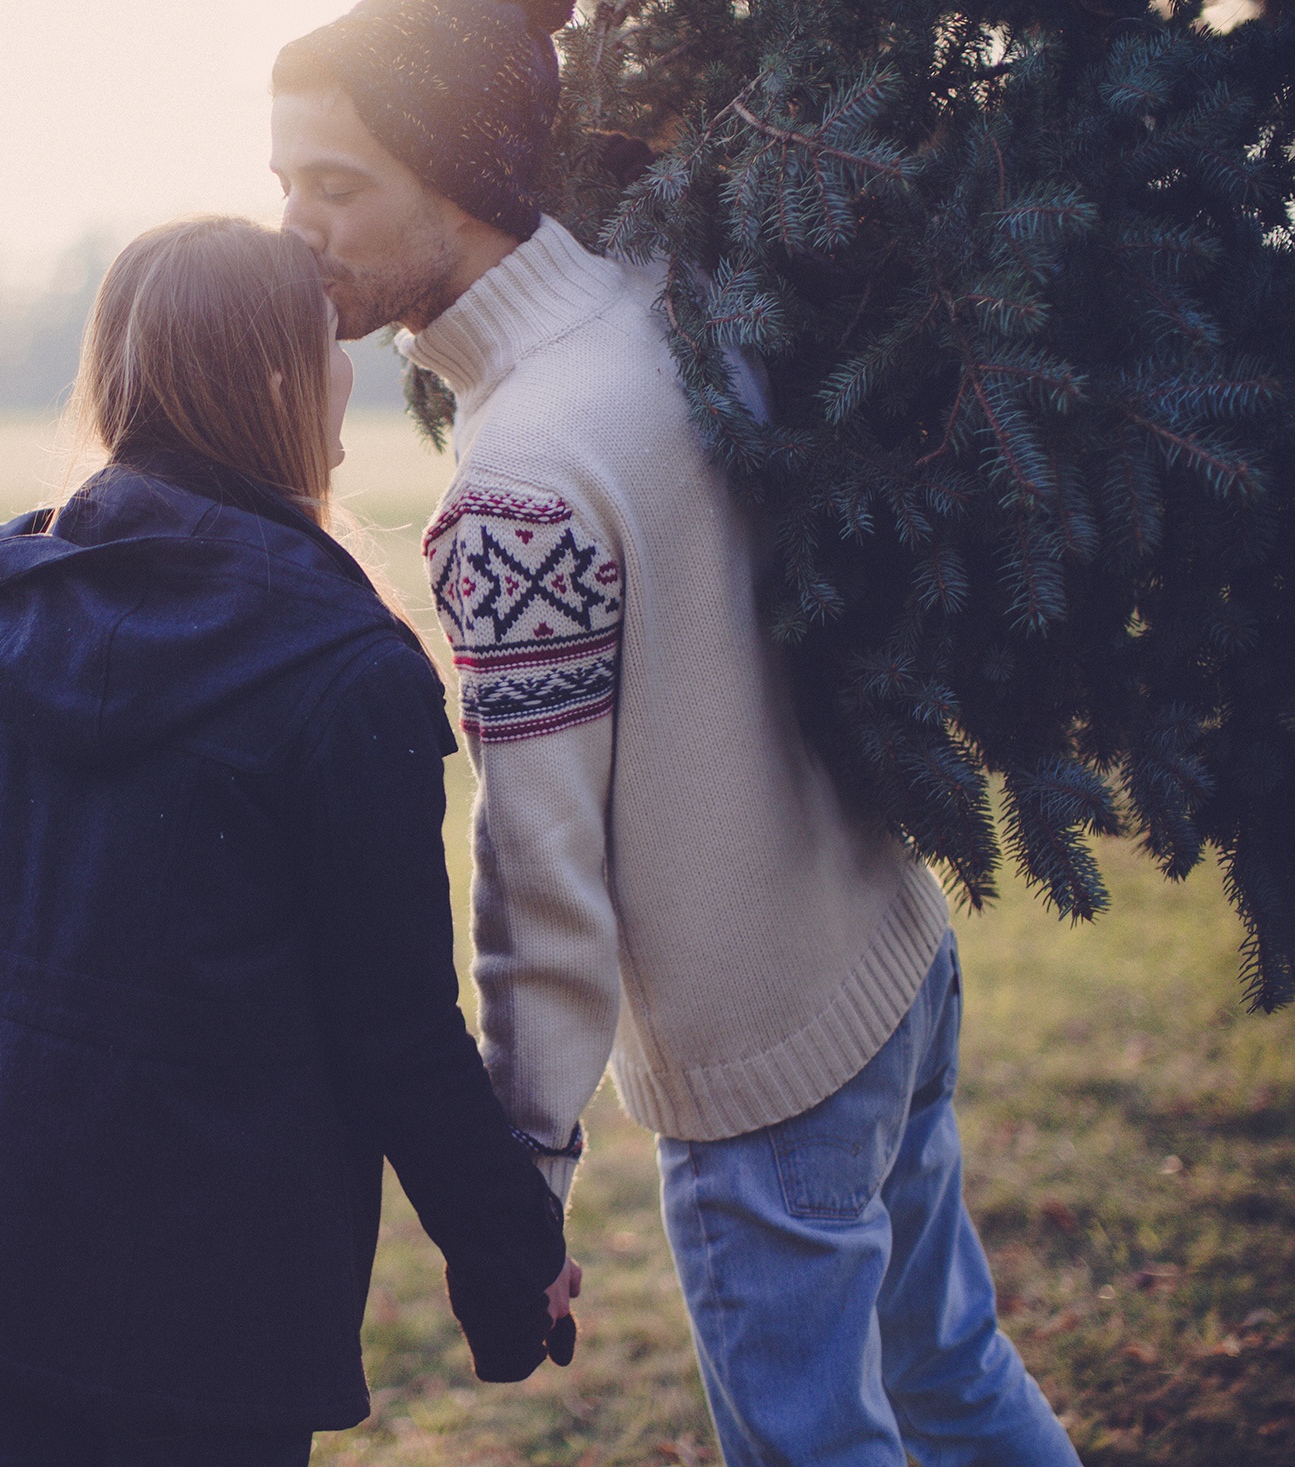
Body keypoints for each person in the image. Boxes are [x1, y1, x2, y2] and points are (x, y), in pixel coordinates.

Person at [269, 4, 1084, 1465]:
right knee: (954, 1372)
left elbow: (543, 881)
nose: (295, 228)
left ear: (455, 174)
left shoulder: (517, 479)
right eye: (285, 184)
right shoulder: (662, 294)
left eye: (337, 186)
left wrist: (522, 1185)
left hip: (764, 1052)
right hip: (887, 956)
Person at [0, 215, 575, 1467]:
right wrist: (512, 1260)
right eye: (328, 343)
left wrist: (10, 1166)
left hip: (20, 1276)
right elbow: (396, 1031)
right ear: (275, 378)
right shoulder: (345, 679)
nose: (349, 371)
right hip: (225, 1322)